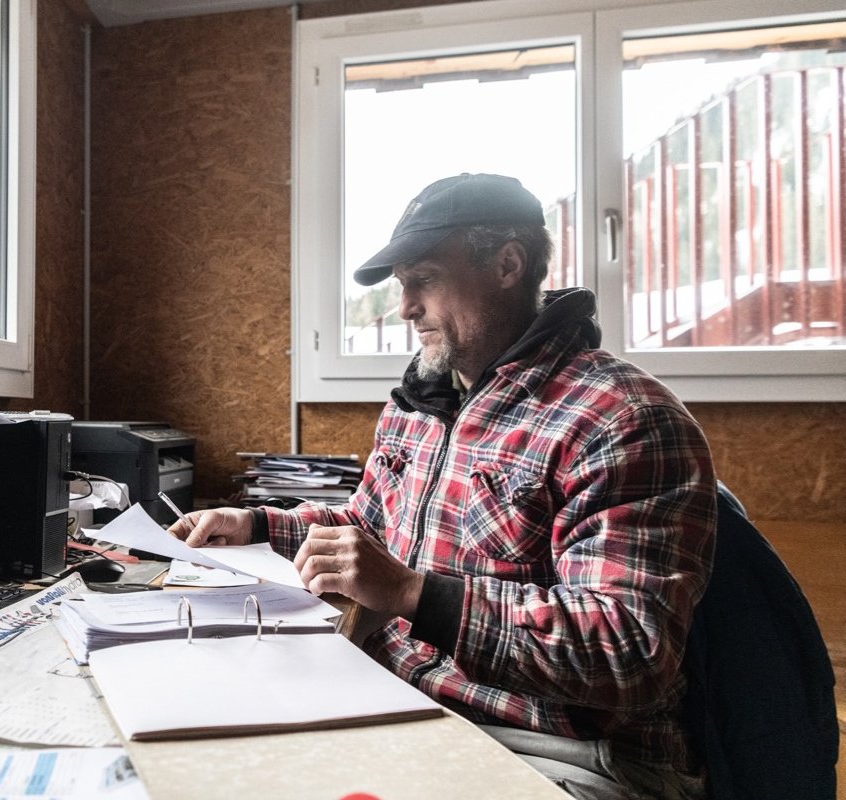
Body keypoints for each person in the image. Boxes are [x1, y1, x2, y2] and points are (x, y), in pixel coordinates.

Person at [168, 174, 717, 800]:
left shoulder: (620, 418)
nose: (404, 308)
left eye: (422, 279)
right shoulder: (423, 403)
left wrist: (411, 593)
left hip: (565, 751)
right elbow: (372, 529)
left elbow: (628, 651)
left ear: (508, 265)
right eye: (402, 285)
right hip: (405, 701)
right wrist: (260, 525)